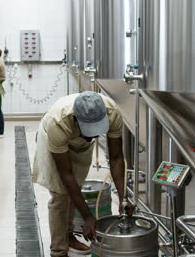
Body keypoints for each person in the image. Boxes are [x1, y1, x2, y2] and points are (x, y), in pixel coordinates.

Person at [32, 91, 135, 257]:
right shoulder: (58, 123)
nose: (93, 135)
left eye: (97, 130)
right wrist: (87, 216)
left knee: (76, 187)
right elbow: (66, 174)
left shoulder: (112, 114)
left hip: (79, 145)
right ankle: (58, 251)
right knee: (61, 195)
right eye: (89, 130)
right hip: (53, 139)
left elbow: (116, 158)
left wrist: (123, 198)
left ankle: (69, 236)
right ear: (75, 120)